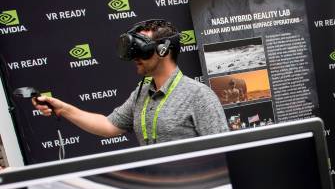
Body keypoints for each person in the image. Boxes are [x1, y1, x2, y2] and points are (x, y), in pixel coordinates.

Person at [33, 19, 228, 145]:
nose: (136, 56)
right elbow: (108, 126)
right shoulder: (142, 93)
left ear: (163, 50)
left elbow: (226, 149)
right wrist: (63, 109)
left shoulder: (198, 95)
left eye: (142, 48)